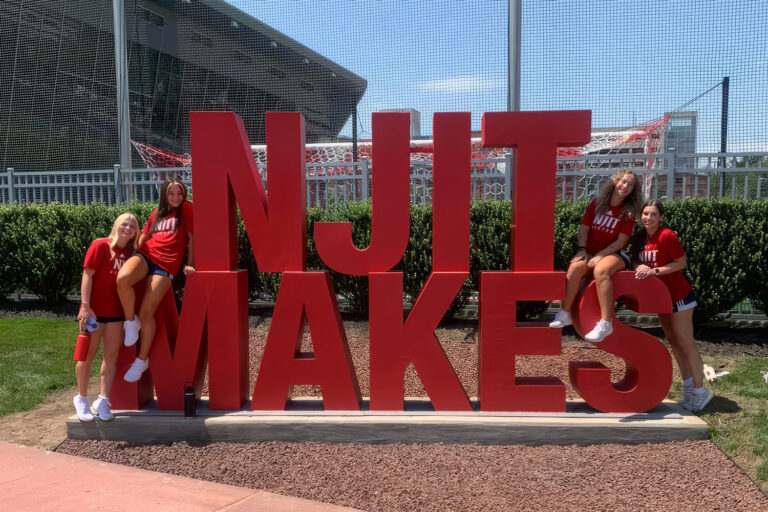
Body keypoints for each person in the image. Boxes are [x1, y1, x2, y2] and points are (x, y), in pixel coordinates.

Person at [631, 200, 713, 411]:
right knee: (674, 343)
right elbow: (634, 261)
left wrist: (654, 271)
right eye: (645, 214)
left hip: (680, 297)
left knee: (686, 343)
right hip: (662, 298)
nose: (648, 218)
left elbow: (681, 262)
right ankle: (688, 389)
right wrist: (638, 265)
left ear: (661, 217)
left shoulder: (667, 235)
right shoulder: (640, 238)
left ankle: (701, 391)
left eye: (653, 214)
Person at [116, 178, 195, 382]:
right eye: (171, 193)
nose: (176, 197)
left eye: (179, 193)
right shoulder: (156, 213)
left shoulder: (186, 209)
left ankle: (142, 360)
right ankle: (129, 321)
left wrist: (189, 263)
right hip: (146, 255)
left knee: (146, 312)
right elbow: (144, 238)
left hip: (165, 265)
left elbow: (192, 237)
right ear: (164, 195)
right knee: (123, 278)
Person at [549, 170, 641, 342]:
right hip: (590, 253)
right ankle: (566, 313)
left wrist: (600, 255)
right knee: (575, 266)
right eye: (623, 182)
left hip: (616, 254)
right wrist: (582, 249)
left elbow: (622, 241)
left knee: (601, 270)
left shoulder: (628, 212)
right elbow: (584, 228)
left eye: (631, 184)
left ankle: (606, 323)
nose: (626, 186)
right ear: (615, 182)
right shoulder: (596, 204)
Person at [74, 213, 140, 421]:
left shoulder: (132, 254)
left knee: (110, 359)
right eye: (124, 224)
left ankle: (103, 400)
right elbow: (87, 274)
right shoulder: (101, 245)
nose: (127, 228)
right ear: (116, 225)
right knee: (86, 356)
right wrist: (85, 307)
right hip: (93, 313)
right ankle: (82, 399)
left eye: (132, 226)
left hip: (116, 315)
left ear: (136, 232)